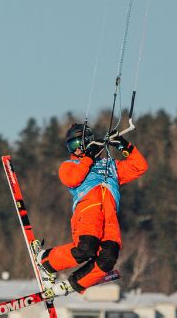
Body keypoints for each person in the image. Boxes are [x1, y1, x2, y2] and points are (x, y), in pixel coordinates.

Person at [37, 122, 147, 293]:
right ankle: (46, 262)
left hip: (110, 215)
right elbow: (72, 179)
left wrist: (123, 144)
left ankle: (73, 284)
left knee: (108, 258)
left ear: (88, 141)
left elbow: (139, 167)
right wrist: (88, 159)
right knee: (86, 249)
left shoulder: (110, 165)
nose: (76, 150)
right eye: (71, 146)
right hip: (89, 210)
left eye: (77, 144)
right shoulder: (70, 165)